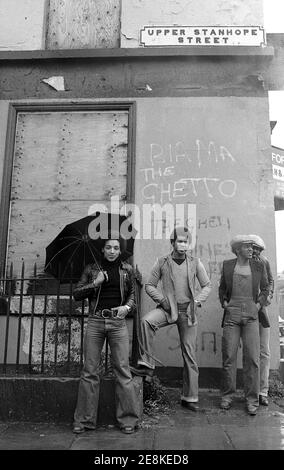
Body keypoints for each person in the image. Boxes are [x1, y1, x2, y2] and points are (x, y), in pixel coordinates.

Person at [131, 226, 211, 411]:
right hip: (168, 309)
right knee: (146, 321)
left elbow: (207, 285)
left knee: (189, 355)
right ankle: (147, 364)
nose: (183, 244)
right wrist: (162, 300)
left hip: (188, 313)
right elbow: (150, 286)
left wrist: (197, 301)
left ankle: (189, 398)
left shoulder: (195, 262)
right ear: (172, 242)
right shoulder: (162, 262)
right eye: (180, 241)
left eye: (186, 241)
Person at [72, 235, 139, 434]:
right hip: (95, 322)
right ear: (102, 249)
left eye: (115, 248)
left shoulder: (127, 270)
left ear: (120, 251)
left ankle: (128, 419)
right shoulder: (92, 269)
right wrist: (96, 283)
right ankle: (84, 420)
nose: (112, 251)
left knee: (123, 370)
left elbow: (133, 296)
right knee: (90, 371)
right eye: (108, 247)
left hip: (118, 323)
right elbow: (76, 294)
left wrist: (126, 308)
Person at [219, 235, 269, 416]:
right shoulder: (227, 265)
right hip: (231, 315)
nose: (251, 250)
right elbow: (222, 288)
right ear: (238, 249)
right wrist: (224, 303)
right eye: (247, 247)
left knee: (253, 359)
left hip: (251, 315)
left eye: (252, 247)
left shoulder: (259, 266)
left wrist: (257, 306)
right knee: (229, 357)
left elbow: (265, 289)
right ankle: (227, 396)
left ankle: (252, 400)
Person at [248, 234, 274, 406]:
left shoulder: (264, 262)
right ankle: (251, 391)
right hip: (245, 311)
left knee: (264, 352)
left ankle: (262, 392)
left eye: (258, 249)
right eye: (253, 248)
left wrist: (268, 296)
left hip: (261, 310)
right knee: (250, 353)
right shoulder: (240, 263)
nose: (255, 251)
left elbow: (270, 281)